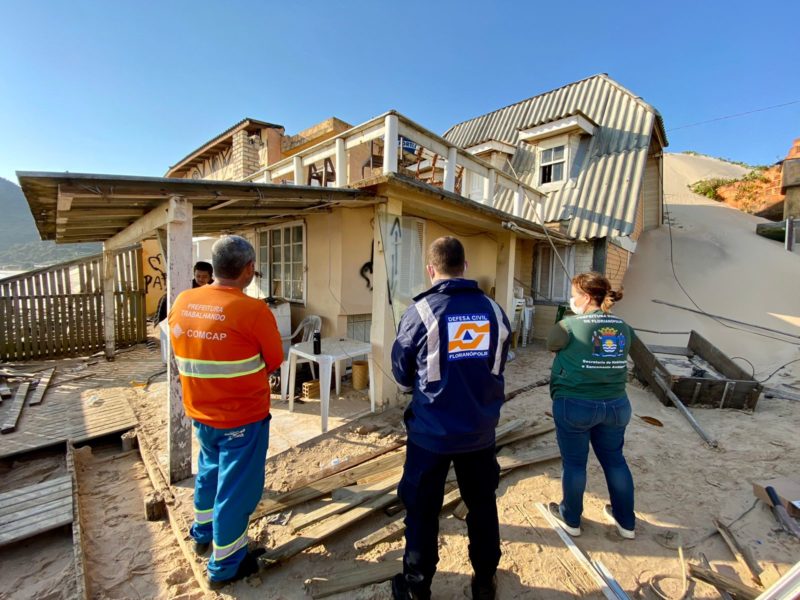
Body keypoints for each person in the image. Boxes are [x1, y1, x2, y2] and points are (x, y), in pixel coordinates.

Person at [391, 236, 511, 600]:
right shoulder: (494, 310)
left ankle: (416, 587)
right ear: (465, 266)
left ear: (431, 270)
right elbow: (499, 365)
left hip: (431, 435)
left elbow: (401, 373)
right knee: (482, 506)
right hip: (479, 432)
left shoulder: (421, 313)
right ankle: (485, 582)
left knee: (422, 511)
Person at [168, 235, 283, 587]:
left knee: (209, 471)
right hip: (242, 418)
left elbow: (176, 341)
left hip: (201, 411)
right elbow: (275, 359)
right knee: (236, 489)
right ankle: (227, 564)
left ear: (214, 267)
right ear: (248, 270)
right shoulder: (253, 311)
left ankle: (202, 532)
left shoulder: (184, 300)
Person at [546, 271, 636, 540]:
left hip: (575, 405)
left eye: (574, 295)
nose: (572, 300)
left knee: (574, 464)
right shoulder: (623, 326)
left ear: (585, 297)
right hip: (616, 406)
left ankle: (571, 518)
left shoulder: (569, 325)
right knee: (615, 461)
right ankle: (626, 522)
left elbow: (552, 345)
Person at [155, 261, 215, 325]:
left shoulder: (216, 288)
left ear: (210, 276)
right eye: (198, 276)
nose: (201, 279)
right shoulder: (188, 286)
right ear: (194, 275)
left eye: (204, 277)